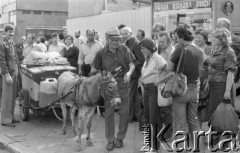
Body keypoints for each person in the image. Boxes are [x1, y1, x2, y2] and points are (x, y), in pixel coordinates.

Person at [91, 27, 135, 151]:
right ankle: (110, 140)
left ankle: (120, 138)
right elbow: (94, 69)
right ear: (107, 39)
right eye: (114, 40)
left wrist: (129, 73)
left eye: (118, 40)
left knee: (124, 112)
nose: (117, 43)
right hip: (109, 85)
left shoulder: (124, 49)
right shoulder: (101, 53)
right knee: (109, 113)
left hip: (123, 83)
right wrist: (104, 76)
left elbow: (132, 64)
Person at [165, 24, 205, 152]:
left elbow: (169, 68)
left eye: (177, 37)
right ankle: (198, 148)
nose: (176, 40)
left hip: (181, 89)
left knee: (180, 124)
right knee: (193, 121)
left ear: (182, 37)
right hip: (195, 90)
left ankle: (180, 149)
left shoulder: (180, 49)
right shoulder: (200, 51)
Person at [205, 28, 237, 129]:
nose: (212, 40)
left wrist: (227, 92)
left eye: (215, 38)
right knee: (212, 111)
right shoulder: (215, 49)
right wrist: (207, 83)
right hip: (213, 85)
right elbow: (211, 67)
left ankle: (223, 136)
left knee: (221, 113)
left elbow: (230, 74)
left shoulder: (229, 52)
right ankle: (214, 134)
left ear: (222, 39)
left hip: (221, 86)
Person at [139, 38, 167, 152]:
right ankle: (148, 144)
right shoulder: (148, 58)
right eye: (141, 48)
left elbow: (171, 72)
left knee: (154, 119)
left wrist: (159, 82)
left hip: (154, 89)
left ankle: (155, 146)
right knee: (147, 117)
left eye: (143, 48)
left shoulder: (158, 58)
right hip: (146, 89)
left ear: (150, 48)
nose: (142, 50)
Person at [121, 27, 144, 122]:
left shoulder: (136, 43)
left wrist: (131, 66)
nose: (124, 35)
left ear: (131, 33)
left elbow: (141, 59)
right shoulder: (126, 43)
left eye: (126, 33)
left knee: (129, 95)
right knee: (133, 96)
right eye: (122, 34)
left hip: (133, 74)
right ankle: (136, 116)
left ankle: (128, 117)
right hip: (129, 73)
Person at [0, 24, 20, 127]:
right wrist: (6, 74)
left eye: (13, 32)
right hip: (8, 73)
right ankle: (5, 120)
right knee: (7, 97)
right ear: (5, 32)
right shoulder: (2, 44)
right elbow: (2, 60)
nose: (11, 34)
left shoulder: (11, 43)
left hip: (14, 71)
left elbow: (15, 58)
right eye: (9, 32)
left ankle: (11, 117)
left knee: (13, 96)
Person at [216, 18, 240, 97]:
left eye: (218, 26)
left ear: (226, 27)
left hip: (230, 73)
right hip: (220, 73)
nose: (217, 28)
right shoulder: (219, 40)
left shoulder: (235, 39)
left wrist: (236, 61)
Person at [157, 31, 174, 140]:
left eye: (162, 42)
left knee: (167, 110)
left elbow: (170, 70)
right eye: (159, 42)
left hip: (167, 83)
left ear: (169, 41)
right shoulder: (161, 50)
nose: (160, 44)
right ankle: (164, 131)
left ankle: (168, 134)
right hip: (161, 82)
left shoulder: (172, 52)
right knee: (163, 109)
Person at [194, 28, 212, 106]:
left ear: (205, 39)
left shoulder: (209, 49)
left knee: (203, 99)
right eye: (196, 37)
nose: (197, 39)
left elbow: (212, 64)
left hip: (204, 77)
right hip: (194, 77)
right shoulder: (192, 48)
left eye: (199, 38)